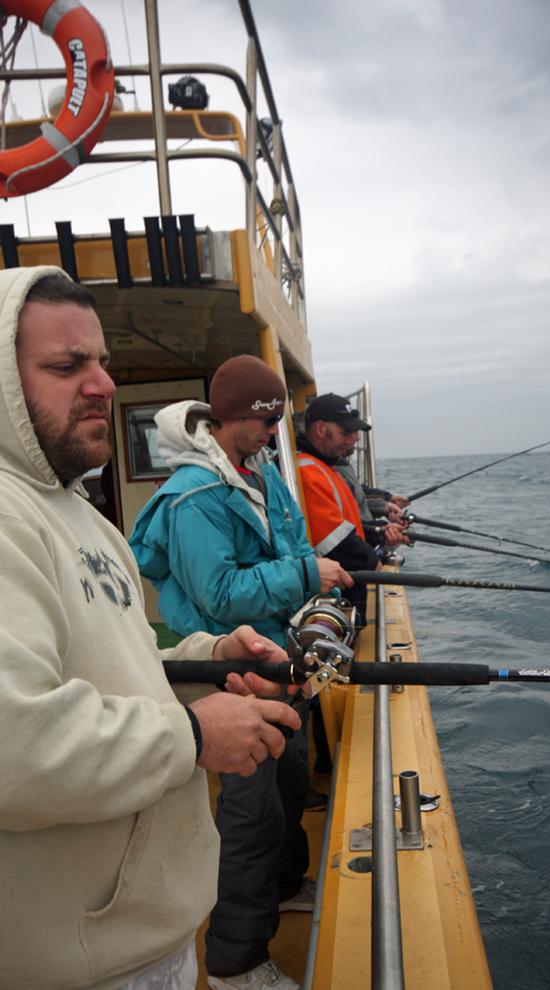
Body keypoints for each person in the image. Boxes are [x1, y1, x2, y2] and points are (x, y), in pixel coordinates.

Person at [0, 266, 300, 990]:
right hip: (73, 963)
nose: (101, 383)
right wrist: (195, 736)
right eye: (67, 366)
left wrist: (211, 656)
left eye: (101, 362)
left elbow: (130, 655)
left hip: (140, 932)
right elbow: (17, 743)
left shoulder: (81, 516)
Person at [129, 356, 351, 990]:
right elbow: (220, 595)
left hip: (279, 658)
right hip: (231, 672)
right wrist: (309, 575)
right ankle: (233, 960)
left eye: (277, 418)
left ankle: (285, 886)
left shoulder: (261, 473)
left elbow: (291, 546)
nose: (271, 430)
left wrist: (309, 583)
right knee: (249, 816)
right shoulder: (194, 497)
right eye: (262, 419)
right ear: (226, 416)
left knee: (290, 781)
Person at [296, 393, 382, 625]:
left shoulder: (323, 467)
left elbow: (346, 523)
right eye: (345, 432)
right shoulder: (307, 470)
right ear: (321, 429)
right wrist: (373, 562)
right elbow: (333, 543)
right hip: (335, 598)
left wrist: (378, 532)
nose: (353, 439)